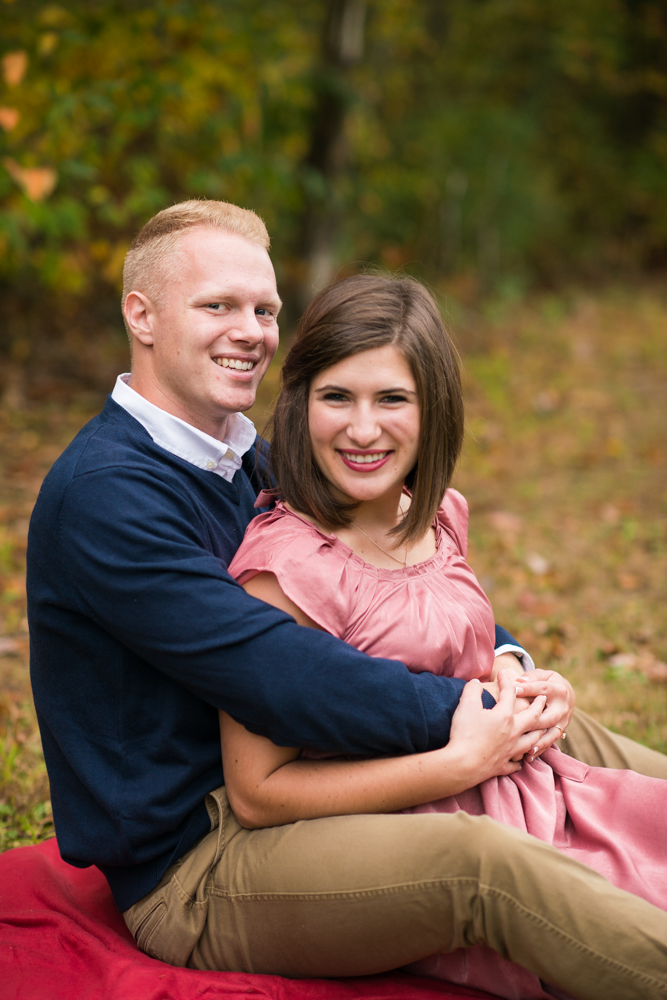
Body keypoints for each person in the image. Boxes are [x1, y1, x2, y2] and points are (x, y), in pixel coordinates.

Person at [26, 200, 667, 1000]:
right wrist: (468, 713)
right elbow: (286, 673)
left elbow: (384, 584)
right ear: (142, 315)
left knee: (566, 735)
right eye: (217, 305)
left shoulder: (243, 456)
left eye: (264, 309)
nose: (251, 329)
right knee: (481, 867)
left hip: (317, 777)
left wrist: (508, 664)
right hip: (198, 859)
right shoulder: (108, 497)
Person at [223, 272, 667, 999]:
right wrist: (458, 766)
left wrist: (518, 670)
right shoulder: (284, 572)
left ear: (434, 412)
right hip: (426, 825)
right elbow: (258, 792)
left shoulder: (432, 516)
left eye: (392, 399)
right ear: (300, 405)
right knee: (614, 916)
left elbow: (451, 637)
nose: (363, 429)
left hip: (529, 784)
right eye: (338, 397)